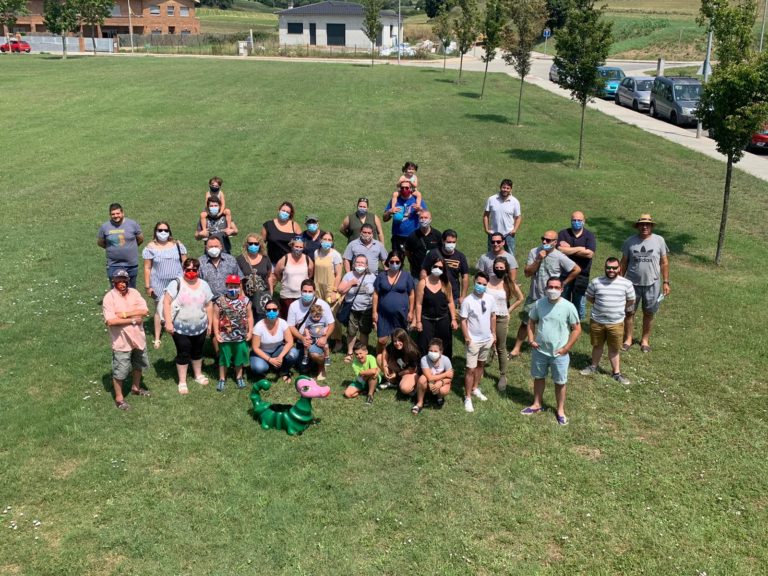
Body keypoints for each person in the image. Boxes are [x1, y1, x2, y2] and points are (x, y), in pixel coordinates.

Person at [509, 231, 581, 358]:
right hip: (534, 296)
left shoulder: (559, 256)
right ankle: (517, 348)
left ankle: (552, 348)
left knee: (551, 324)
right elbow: (527, 273)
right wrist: (538, 259)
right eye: (543, 239)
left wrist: (563, 283)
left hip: (551, 298)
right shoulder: (534, 252)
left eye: (548, 240)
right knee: (525, 322)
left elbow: (577, 269)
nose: (544, 242)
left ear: (555, 242)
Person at [521, 277, 582, 426]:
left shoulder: (568, 306)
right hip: (540, 351)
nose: (552, 290)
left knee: (560, 382)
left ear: (562, 289)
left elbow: (577, 329)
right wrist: (531, 339)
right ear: (546, 288)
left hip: (559, 354)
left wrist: (566, 348)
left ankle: (560, 410)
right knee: (538, 377)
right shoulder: (539, 304)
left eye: (556, 287)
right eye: (550, 287)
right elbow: (531, 322)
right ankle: (537, 404)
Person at [620, 214, 670, 353]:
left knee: (649, 313)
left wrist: (666, 282)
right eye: (642, 224)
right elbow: (623, 262)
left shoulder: (659, 240)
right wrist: (619, 282)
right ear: (638, 226)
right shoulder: (630, 242)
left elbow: (664, 262)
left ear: (651, 226)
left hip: (652, 284)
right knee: (629, 312)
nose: (645, 226)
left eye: (647, 224)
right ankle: (628, 339)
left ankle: (645, 340)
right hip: (631, 284)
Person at [581, 257, 636, 385]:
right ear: (605, 268)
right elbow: (590, 297)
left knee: (614, 348)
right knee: (597, 345)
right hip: (597, 321)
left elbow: (631, 300)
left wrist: (619, 308)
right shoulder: (596, 282)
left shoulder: (626, 284)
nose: (611, 270)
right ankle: (593, 367)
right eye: (608, 268)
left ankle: (616, 373)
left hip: (616, 323)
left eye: (614, 268)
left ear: (619, 268)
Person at [163, 258, 214, 395]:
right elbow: (166, 302)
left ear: (198, 270)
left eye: (194, 270)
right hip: (180, 327)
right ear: (183, 270)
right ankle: (182, 381)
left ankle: (198, 375)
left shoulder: (204, 284)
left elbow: (209, 305)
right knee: (183, 352)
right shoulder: (176, 284)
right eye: (188, 270)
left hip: (200, 326)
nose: (191, 272)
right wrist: (168, 322)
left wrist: (210, 323)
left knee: (198, 351)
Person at [102, 269, 150, 410]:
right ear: (114, 282)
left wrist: (123, 314)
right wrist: (133, 320)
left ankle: (136, 388)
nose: (122, 284)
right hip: (121, 342)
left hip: (138, 338)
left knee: (138, 365)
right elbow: (110, 321)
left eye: (125, 281)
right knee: (120, 371)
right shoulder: (109, 298)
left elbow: (145, 311)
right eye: (119, 281)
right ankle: (119, 398)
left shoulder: (134, 293)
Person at [142, 221, 187, 349]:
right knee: (159, 308)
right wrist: (148, 286)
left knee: (179, 305)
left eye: (166, 230)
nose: (163, 232)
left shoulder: (177, 245)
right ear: (155, 232)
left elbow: (185, 263)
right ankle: (157, 337)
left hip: (176, 281)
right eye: (160, 230)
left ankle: (179, 330)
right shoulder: (150, 247)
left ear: (169, 232)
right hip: (158, 282)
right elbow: (147, 268)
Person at [486, 256, 524, 392]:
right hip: (486, 317)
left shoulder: (508, 282)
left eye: (501, 268)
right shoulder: (487, 280)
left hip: (501, 317)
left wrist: (509, 310)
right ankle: (480, 366)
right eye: (497, 267)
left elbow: (520, 298)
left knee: (501, 347)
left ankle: (502, 375)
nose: (499, 270)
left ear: (506, 269)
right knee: (484, 343)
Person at [460, 272, 496, 413]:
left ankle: (475, 388)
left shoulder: (490, 299)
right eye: (479, 283)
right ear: (474, 282)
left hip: (487, 339)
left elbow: (493, 316)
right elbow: (463, 320)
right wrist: (467, 337)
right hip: (473, 341)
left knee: (481, 365)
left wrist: (493, 334)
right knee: (470, 369)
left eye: (484, 284)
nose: (481, 286)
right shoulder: (467, 301)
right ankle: (468, 397)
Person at [213, 274, 254, 392]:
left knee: (239, 358)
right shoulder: (220, 301)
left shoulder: (245, 301)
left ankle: (239, 377)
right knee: (223, 358)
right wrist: (217, 333)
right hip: (225, 336)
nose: (233, 289)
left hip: (241, 336)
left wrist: (250, 331)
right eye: (231, 286)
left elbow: (250, 317)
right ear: (226, 286)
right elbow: (215, 318)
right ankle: (222, 378)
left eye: (236, 286)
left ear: (239, 286)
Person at [287, 280, 335, 378]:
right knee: (302, 368)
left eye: (310, 291)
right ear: (301, 291)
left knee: (314, 355)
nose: (307, 294)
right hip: (302, 341)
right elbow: (290, 326)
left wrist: (325, 337)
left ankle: (321, 366)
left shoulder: (323, 305)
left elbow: (331, 324)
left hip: (319, 339)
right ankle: (312, 361)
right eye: (305, 291)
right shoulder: (294, 305)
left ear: (314, 292)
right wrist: (302, 338)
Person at [414, 256, 457, 358]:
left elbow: (450, 302)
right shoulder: (422, 283)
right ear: (431, 267)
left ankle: (444, 366)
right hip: (426, 321)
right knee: (423, 346)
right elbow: (418, 304)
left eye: (440, 268)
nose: (437, 269)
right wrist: (418, 321)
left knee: (445, 346)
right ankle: (423, 366)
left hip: (443, 320)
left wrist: (454, 319)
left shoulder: (446, 283)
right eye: (435, 266)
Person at [372, 250, 415, 353]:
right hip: (384, 315)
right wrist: (374, 312)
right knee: (382, 340)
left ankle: (399, 357)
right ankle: (379, 357)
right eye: (392, 261)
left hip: (401, 314)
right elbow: (375, 294)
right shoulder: (381, 276)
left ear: (401, 262)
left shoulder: (407, 276)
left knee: (401, 340)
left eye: (397, 262)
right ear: (388, 261)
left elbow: (412, 295)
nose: (394, 264)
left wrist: (411, 311)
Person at [557, 211, 596, 320]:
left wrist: (568, 250)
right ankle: (564, 319)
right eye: (574, 220)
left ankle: (578, 322)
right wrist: (580, 249)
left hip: (582, 273)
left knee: (579, 300)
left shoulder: (589, 236)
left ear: (584, 221)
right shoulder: (563, 234)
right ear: (571, 221)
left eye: (579, 220)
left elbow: (589, 254)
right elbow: (559, 250)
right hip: (565, 273)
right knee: (563, 298)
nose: (576, 222)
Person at [250, 299, 300, 382]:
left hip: (278, 350)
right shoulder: (258, 326)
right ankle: (269, 365)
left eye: (274, 309)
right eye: (269, 310)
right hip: (263, 352)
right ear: (265, 311)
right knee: (258, 368)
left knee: (294, 353)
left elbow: (290, 341)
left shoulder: (283, 323)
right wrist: (270, 359)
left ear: (278, 310)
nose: (271, 312)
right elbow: (255, 348)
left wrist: (281, 356)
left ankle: (284, 371)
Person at [337, 254, 376, 362]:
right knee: (351, 332)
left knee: (364, 332)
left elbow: (376, 293)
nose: (360, 264)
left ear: (366, 265)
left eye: (362, 263)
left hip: (367, 309)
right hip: (352, 309)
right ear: (353, 264)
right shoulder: (349, 275)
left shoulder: (372, 277)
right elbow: (340, 290)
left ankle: (362, 353)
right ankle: (350, 353)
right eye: (357, 262)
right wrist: (350, 283)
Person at [97, 203, 144, 288]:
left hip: (131, 264)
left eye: (118, 213)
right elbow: (100, 242)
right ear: (110, 215)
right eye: (113, 214)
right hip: (113, 265)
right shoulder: (105, 227)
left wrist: (130, 248)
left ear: (122, 213)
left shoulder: (132, 224)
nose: (115, 216)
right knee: (116, 290)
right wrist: (112, 248)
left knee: (131, 290)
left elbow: (140, 239)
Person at [421, 229, 469, 307]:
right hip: (434, 293)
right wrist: (424, 286)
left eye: (453, 242)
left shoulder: (460, 257)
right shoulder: (433, 254)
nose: (451, 244)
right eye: (449, 242)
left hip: (453, 296)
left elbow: (465, 277)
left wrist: (463, 296)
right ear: (443, 241)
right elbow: (424, 271)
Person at [312, 231, 343, 350]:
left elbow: (339, 274)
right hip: (318, 288)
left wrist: (334, 291)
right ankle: (322, 337)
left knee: (333, 314)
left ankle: (338, 340)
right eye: (325, 239)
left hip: (330, 288)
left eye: (329, 240)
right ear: (320, 240)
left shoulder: (335, 255)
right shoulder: (316, 252)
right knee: (319, 313)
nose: (327, 242)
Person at [235, 233, 274, 322]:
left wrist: (271, 291)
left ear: (260, 245)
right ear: (246, 245)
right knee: (248, 319)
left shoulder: (265, 259)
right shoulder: (240, 259)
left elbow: (269, 276)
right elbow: (239, 279)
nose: (253, 245)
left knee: (262, 320)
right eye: (251, 243)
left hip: (263, 295)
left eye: (256, 244)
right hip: (247, 296)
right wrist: (241, 294)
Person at [274, 236, 314, 318]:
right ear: (292, 246)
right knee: (287, 319)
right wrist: (283, 280)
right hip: (287, 296)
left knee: (301, 318)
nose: (298, 249)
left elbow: (310, 274)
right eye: (296, 246)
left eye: (300, 247)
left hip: (302, 296)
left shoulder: (307, 259)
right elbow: (277, 273)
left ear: (303, 248)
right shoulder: (285, 259)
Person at [412, 337, 454, 414]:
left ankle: (439, 397)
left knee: (443, 390)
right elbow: (430, 377)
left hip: (441, 382)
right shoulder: (424, 359)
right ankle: (420, 402)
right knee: (422, 379)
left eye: (435, 351)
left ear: (441, 352)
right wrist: (445, 374)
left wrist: (441, 382)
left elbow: (450, 377)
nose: (432, 353)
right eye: (430, 350)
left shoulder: (446, 360)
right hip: (429, 382)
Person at [383, 180, 426, 253]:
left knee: (415, 259)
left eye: (407, 188)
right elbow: (385, 219)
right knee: (397, 259)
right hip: (398, 236)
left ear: (411, 189)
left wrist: (420, 209)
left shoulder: (417, 200)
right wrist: (389, 211)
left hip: (415, 236)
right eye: (402, 188)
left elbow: (426, 216)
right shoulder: (395, 200)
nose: (404, 189)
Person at [376, 328, 419, 400]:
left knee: (404, 388)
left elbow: (412, 369)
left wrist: (397, 374)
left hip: (410, 372)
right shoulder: (393, 345)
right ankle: (394, 383)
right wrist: (385, 366)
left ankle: (414, 386)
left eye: (399, 340)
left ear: (404, 339)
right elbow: (385, 351)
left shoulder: (411, 351)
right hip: (399, 368)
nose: (397, 343)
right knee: (379, 357)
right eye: (395, 341)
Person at [483, 178, 522, 254]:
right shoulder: (492, 199)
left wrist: (514, 230)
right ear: (500, 187)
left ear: (511, 189)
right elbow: (486, 215)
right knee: (491, 255)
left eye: (508, 188)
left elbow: (518, 217)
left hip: (508, 234)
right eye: (504, 187)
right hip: (493, 233)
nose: (505, 190)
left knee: (510, 255)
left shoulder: (515, 202)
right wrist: (486, 229)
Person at [404, 210, 441, 278]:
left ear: (430, 219)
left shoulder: (437, 235)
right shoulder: (412, 236)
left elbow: (441, 251)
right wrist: (413, 263)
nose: (423, 220)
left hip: (434, 272)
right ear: (418, 220)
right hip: (417, 273)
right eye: (421, 218)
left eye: (426, 218)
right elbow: (407, 252)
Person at [302, 304, 330, 380]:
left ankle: (327, 358)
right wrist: (307, 334)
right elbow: (306, 328)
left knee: (326, 346)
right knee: (306, 346)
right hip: (313, 338)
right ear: (311, 314)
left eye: (318, 316)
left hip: (321, 337)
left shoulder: (323, 319)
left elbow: (327, 326)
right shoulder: (309, 320)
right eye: (314, 316)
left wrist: (325, 331)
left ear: (321, 314)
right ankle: (305, 356)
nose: (316, 318)